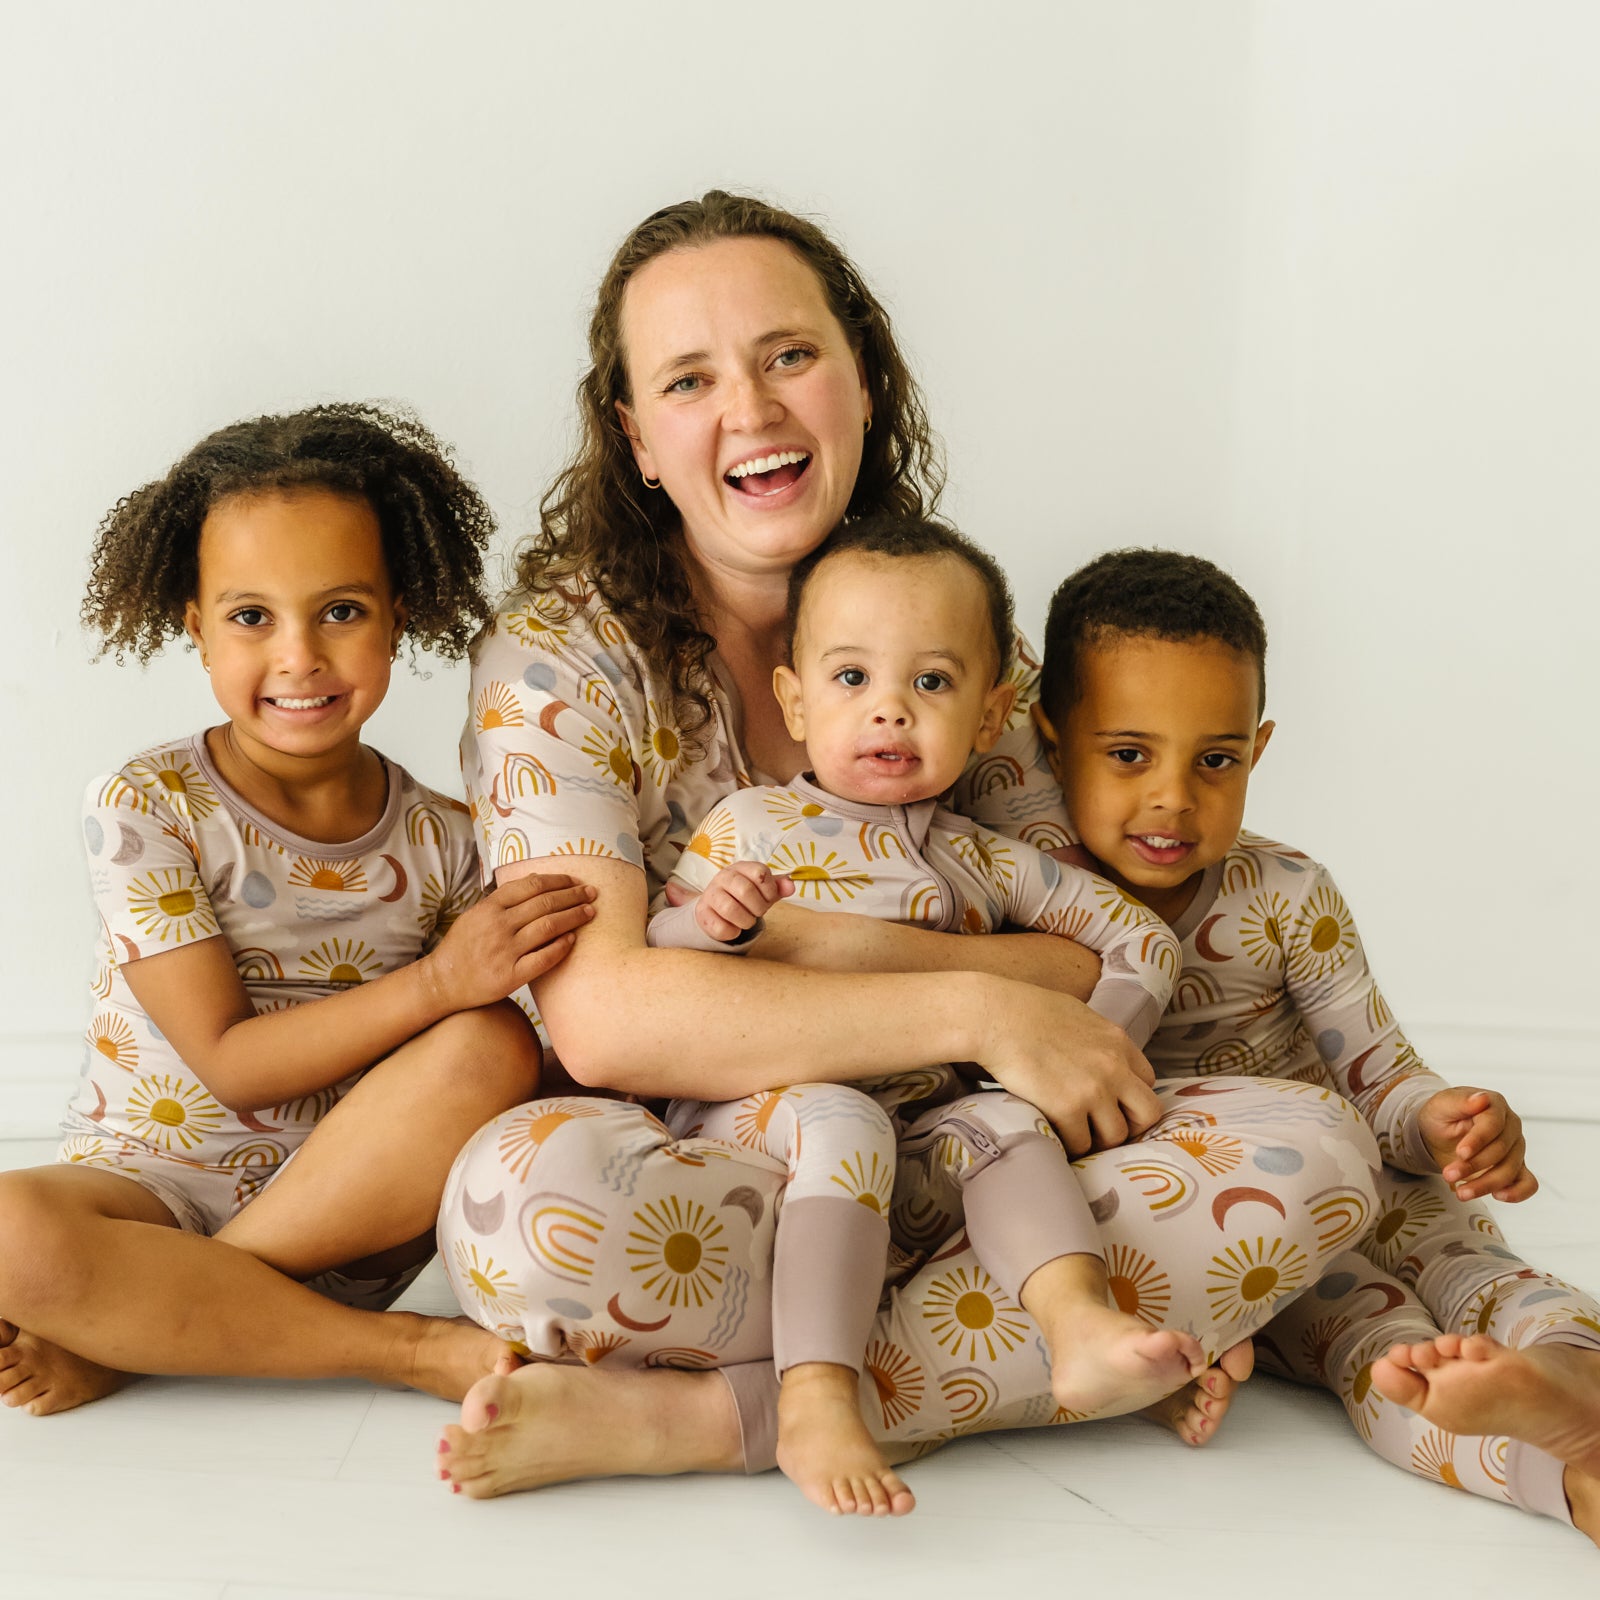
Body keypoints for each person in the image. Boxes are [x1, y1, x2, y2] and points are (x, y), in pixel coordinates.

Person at [435, 190, 1381, 1510]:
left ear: (863, 379)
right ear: (636, 437)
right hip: (731, 1176)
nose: (752, 411)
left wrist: (927, 998)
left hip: (975, 1156)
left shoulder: (947, 631)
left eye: (789, 356)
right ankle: (1023, 1345)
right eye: (691, 378)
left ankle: (716, 1417)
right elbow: (607, 1019)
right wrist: (966, 998)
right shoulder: (560, 658)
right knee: (515, 1207)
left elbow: (1084, 952)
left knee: (1319, 1153)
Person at [0, 404, 596, 1416]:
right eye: (250, 617)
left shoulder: (449, 836)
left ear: (399, 613)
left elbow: (496, 1054)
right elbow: (229, 1059)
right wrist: (438, 980)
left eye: (341, 610)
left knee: (492, 1044)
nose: (298, 656)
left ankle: (154, 1331)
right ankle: (391, 1348)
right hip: (153, 1187)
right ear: (193, 625)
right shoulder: (146, 806)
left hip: (354, 1210)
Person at [1030, 545, 1600, 1545]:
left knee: (1504, 1285)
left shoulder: (1288, 893)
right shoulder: (1032, 904)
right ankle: (1566, 1481)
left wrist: (1445, 1122)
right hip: (1268, 1243)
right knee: (1382, 1352)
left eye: (1216, 759)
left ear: (1259, 745)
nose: (1173, 797)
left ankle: (1566, 1385)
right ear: (1050, 735)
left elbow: (1380, 1074)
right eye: (1128, 753)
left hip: (1387, 1189)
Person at [647, 513, 1205, 1513]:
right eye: (852, 679)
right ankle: (816, 1393)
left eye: (931, 684)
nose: (890, 712)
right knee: (846, 1119)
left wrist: (1080, 1055)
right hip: (763, 1107)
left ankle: (1078, 1325)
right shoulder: (751, 824)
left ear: (989, 719)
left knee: (1003, 1122)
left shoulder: (983, 858)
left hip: (927, 1117)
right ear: (795, 698)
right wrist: (712, 926)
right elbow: (662, 966)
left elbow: (1144, 941)